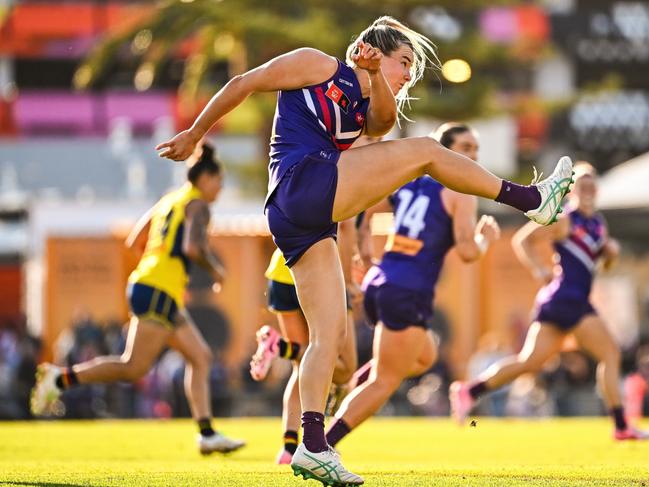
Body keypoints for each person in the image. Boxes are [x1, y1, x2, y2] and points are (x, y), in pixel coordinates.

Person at [156, 16, 573, 485]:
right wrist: (195, 133)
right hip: (302, 185)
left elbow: (382, 121)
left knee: (329, 337)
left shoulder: (374, 100)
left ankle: (311, 445)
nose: (407, 76)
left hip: (302, 216)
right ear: (371, 47)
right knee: (427, 152)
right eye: (404, 63)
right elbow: (244, 82)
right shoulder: (316, 64)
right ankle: (532, 200)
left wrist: (376, 75)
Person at [31, 143, 246, 455]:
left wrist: (163, 271)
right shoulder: (198, 205)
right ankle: (59, 378)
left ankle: (207, 433)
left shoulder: (169, 200)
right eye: (219, 181)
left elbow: (135, 241)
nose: (220, 188)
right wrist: (216, 271)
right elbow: (192, 249)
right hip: (159, 290)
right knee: (133, 367)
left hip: (154, 287)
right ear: (206, 178)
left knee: (200, 357)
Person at [325, 123, 500, 448]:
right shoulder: (460, 190)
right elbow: (466, 250)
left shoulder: (410, 181)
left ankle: (352, 386)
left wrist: (364, 247)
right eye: (465, 148)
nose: (473, 155)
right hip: (407, 289)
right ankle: (321, 444)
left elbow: (361, 206)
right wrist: (485, 240)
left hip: (382, 283)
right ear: (443, 151)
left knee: (423, 357)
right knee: (386, 381)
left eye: (476, 148)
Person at [450, 162, 648, 441]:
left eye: (592, 183)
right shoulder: (565, 218)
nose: (588, 188)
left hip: (573, 299)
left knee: (530, 362)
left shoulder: (597, 223)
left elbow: (599, 268)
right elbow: (523, 240)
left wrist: (611, 254)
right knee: (610, 354)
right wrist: (538, 270)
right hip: (565, 298)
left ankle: (470, 390)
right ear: (572, 190)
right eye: (582, 183)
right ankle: (621, 426)